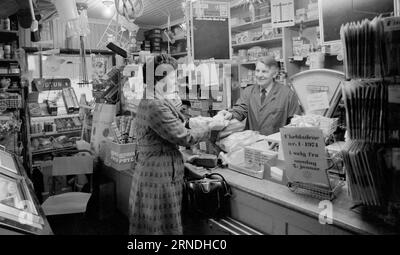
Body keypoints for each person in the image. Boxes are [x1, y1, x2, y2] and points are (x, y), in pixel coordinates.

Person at [129, 54, 213, 235]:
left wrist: (195, 123)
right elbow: (185, 137)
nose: (177, 81)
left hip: (155, 171)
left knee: (153, 226)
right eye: (173, 77)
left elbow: (172, 128)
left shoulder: (154, 99)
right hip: (158, 177)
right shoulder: (155, 104)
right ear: (158, 79)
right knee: (159, 227)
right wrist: (211, 127)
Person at [218, 55, 301, 136]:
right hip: (253, 143)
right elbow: (240, 110)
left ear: (275, 74)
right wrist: (230, 114)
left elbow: (295, 123)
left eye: (264, 72)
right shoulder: (248, 91)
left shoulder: (287, 94)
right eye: (257, 71)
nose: (259, 75)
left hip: (275, 144)